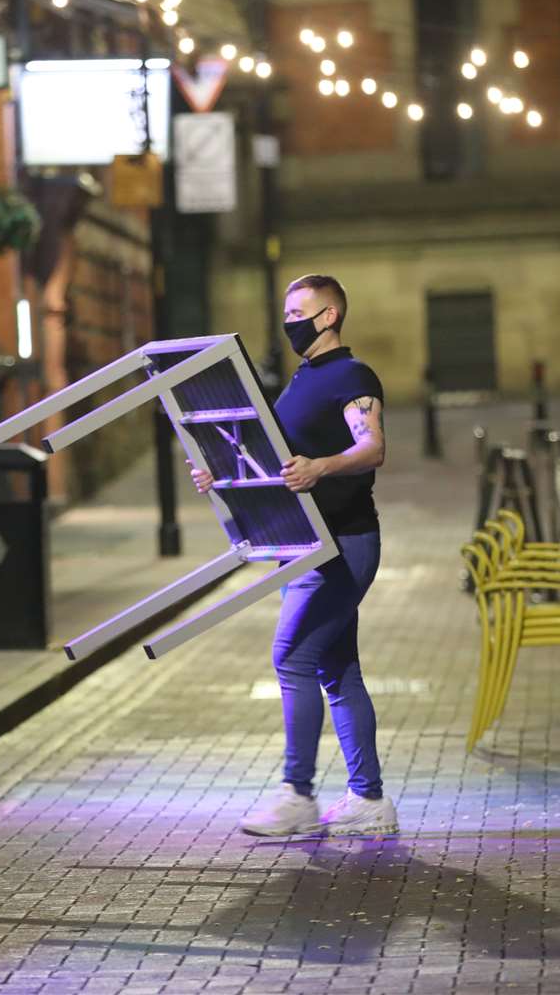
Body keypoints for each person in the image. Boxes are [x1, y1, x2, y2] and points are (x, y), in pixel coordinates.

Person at [191, 273, 396, 836]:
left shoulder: (352, 376)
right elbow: (277, 460)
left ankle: (298, 793)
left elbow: (372, 447)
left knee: (293, 659)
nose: (289, 323)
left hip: (341, 544)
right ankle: (369, 801)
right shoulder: (300, 381)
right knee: (336, 668)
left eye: (299, 312)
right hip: (304, 544)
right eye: (285, 313)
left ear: (329, 316)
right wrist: (223, 477)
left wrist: (321, 467)